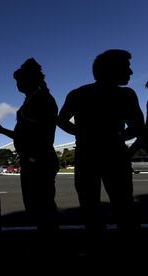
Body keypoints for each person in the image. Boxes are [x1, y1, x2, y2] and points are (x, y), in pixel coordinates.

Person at [57, 49, 144, 251]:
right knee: (124, 205)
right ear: (111, 70)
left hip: (86, 154)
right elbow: (138, 126)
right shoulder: (126, 95)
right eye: (126, 67)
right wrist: (121, 136)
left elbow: (61, 120)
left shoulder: (78, 94)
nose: (130, 72)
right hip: (115, 155)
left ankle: (96, 246)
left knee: (90, 206)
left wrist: (82, 132)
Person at [0, 58, 59, 240]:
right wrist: (2, 130)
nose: (18, 84)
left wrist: (31, 153)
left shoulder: (42, 99)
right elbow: (21, 134)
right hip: (31, 159)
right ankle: (46, 236)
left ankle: (50, 240)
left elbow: (39, 133)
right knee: (36, 205)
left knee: (43, 204)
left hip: (39, 158)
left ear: (31, 80)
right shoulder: (30, 100)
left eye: (20, 80)